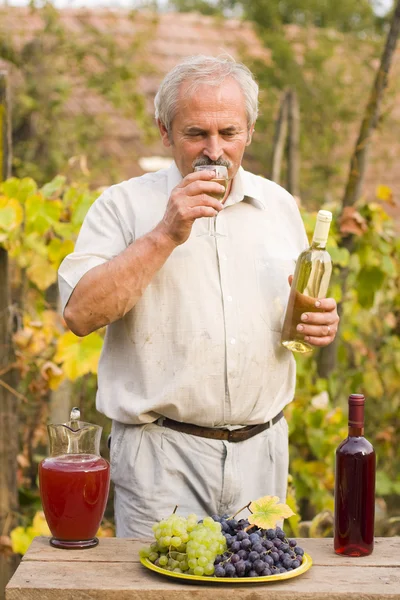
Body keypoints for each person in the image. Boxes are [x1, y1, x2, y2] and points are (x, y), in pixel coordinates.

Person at [58, 55, 340, 537]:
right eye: (196, 134)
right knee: (160, 590)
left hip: (262, 456)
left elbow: (286, 322)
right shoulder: (123, 206)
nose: (215, 150)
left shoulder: (279, 208)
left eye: (228, 133)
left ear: (250, 130)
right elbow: (80, 314)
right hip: (160, 461)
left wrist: (316, 325)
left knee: (258, 586)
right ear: (165, 132)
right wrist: (166, 233)